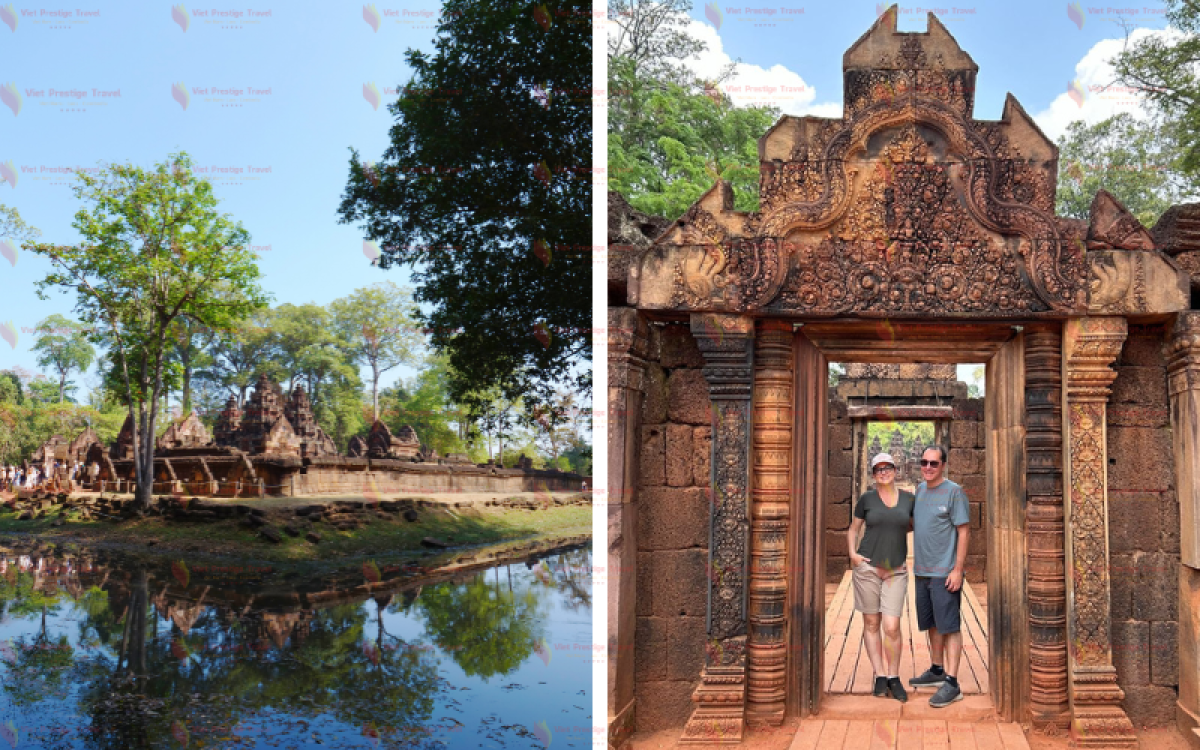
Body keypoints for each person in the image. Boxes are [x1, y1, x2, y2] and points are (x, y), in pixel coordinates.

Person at [847, 452, 916, 703]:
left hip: (895, 570)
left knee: (892, 626)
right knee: (871, 623)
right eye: (878, 469)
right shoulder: (867, 499)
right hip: (868, 568)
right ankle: (880, 674)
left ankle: (894, 676)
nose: (883, 472)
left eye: (887, 468)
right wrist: (853, 554)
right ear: (873, 474)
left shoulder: (909, 499)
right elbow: (853, 529)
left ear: (896, 471)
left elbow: (914, 525)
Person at [909, 446, 971, 708]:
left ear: (943, 465)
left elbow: (964, 531)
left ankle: (952, 683)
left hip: (945, 572)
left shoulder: (954, 492)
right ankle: (936, 669)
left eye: (933, 463)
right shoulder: (920, 491)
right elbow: (916, 524)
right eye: (924, 462)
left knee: (949, 626)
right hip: (922, 571)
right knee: (932, 622)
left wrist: (957, 570)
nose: (928, 467)